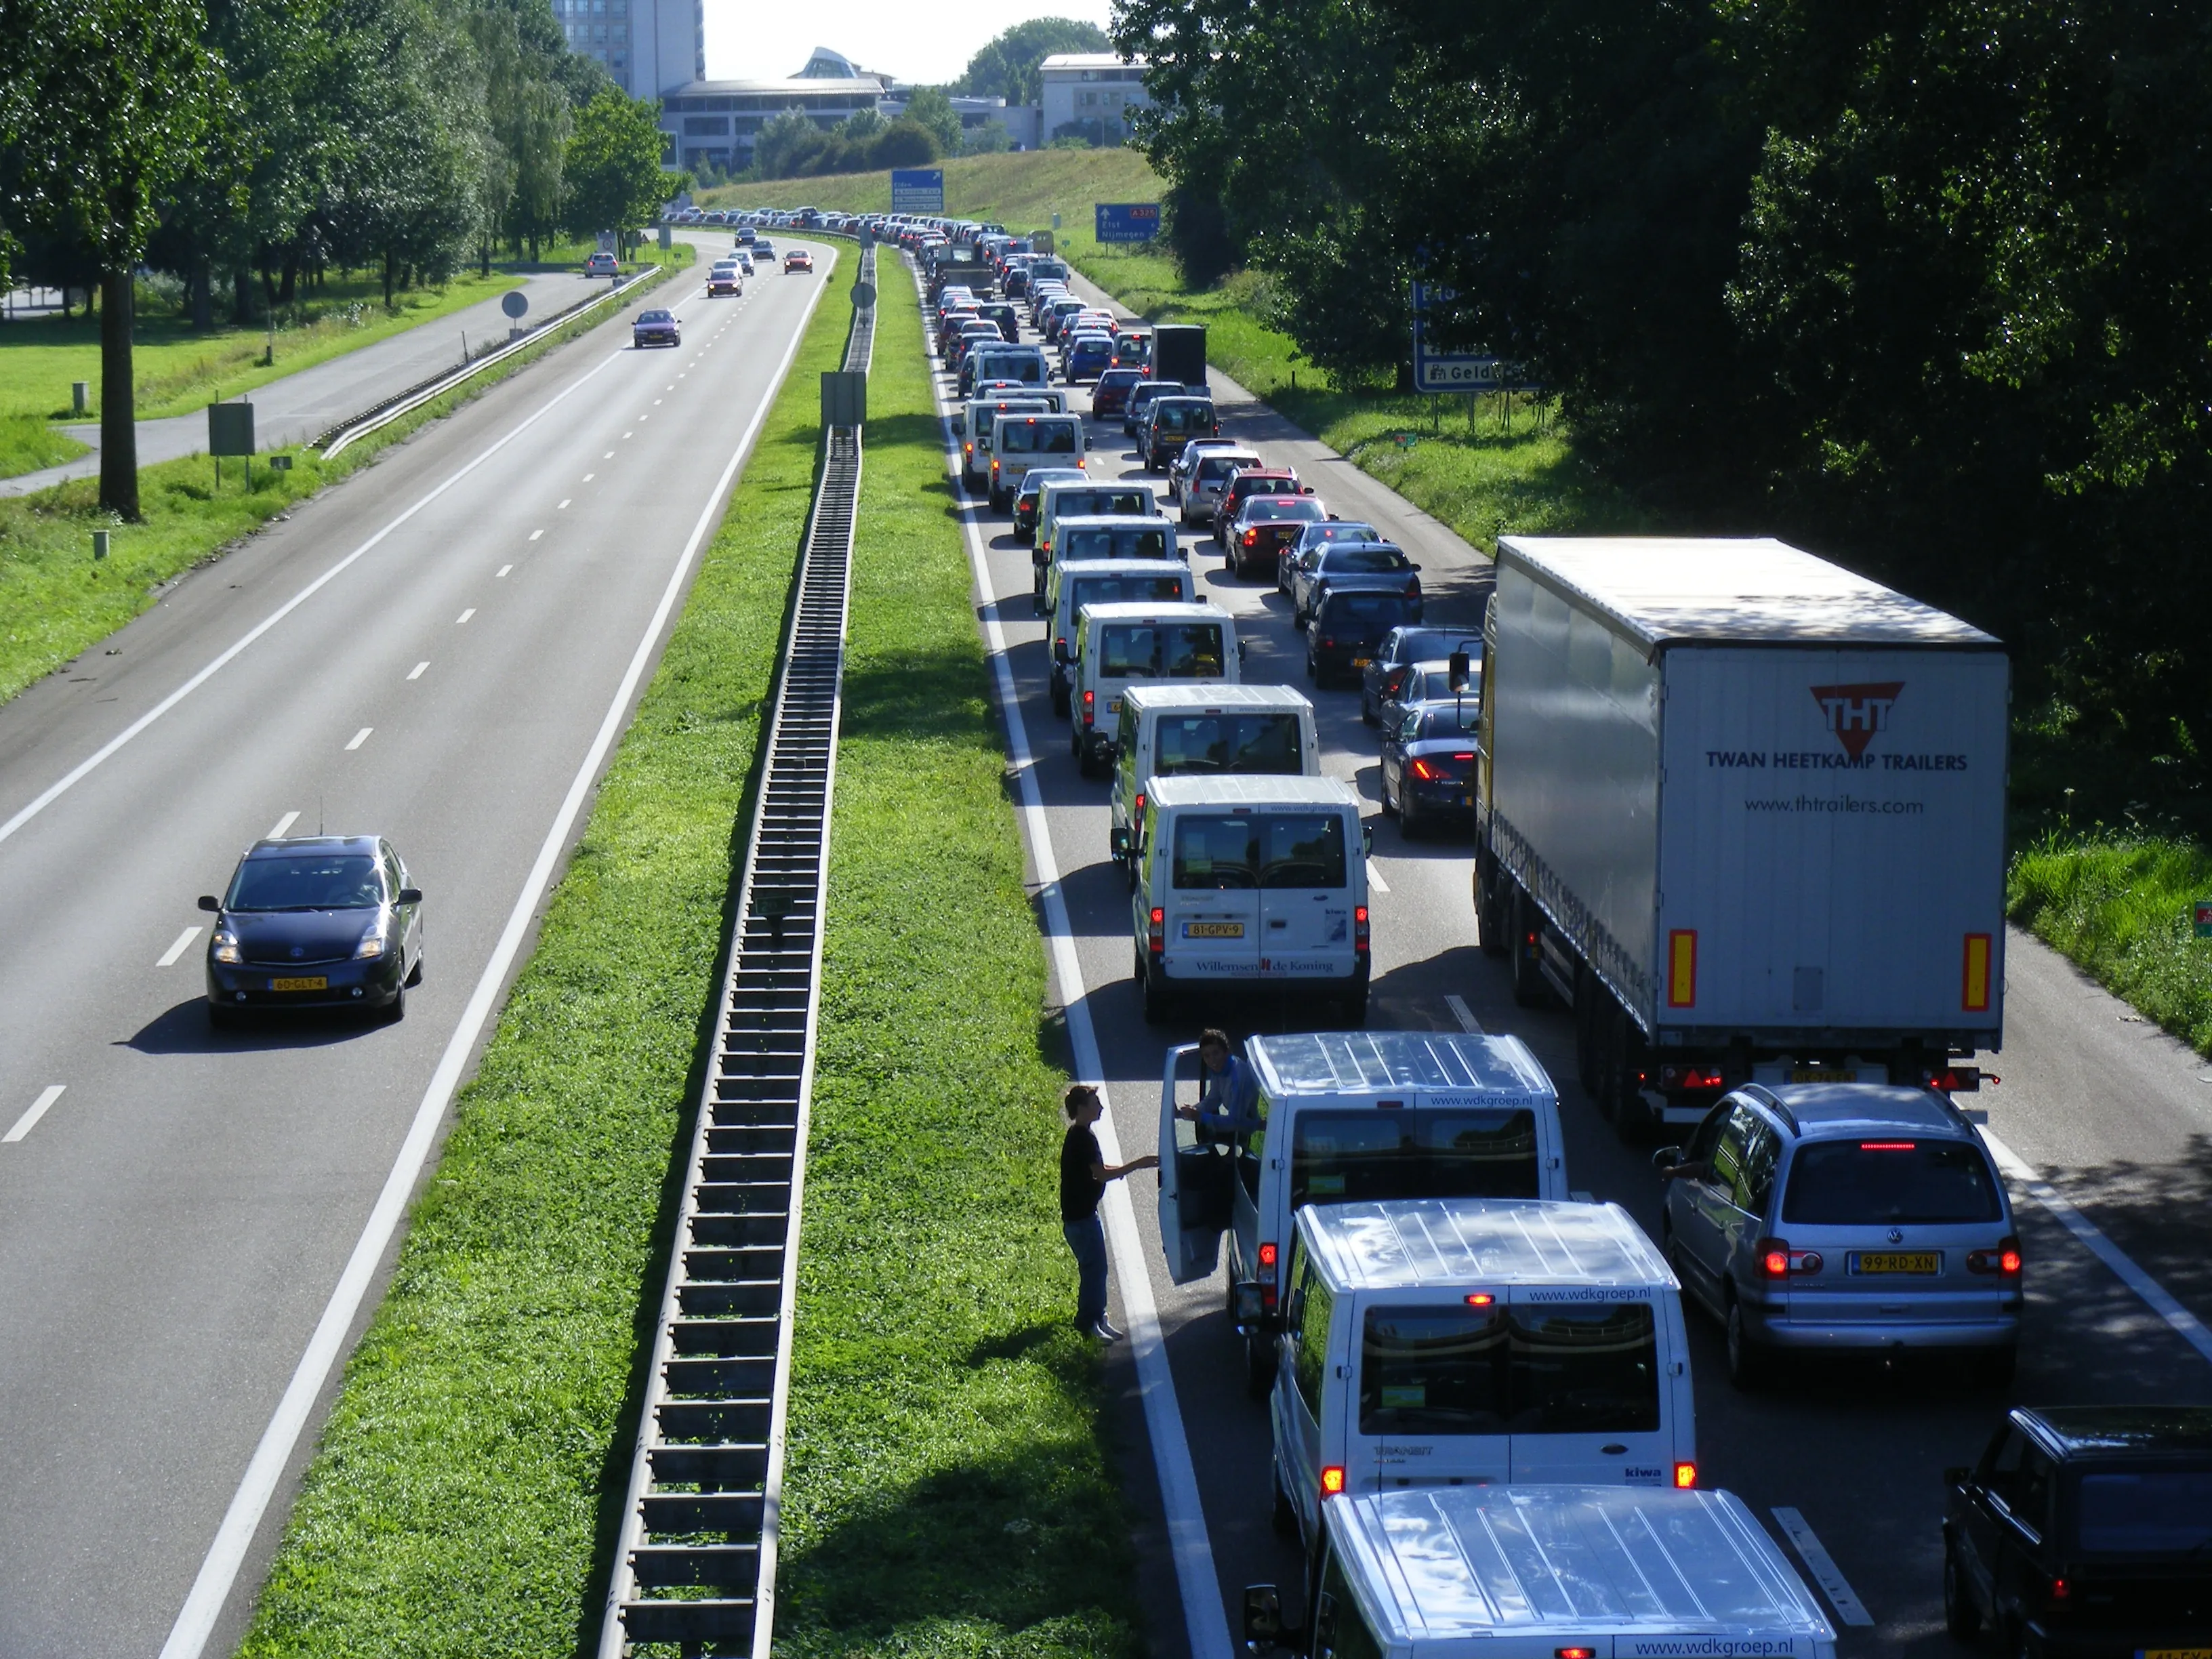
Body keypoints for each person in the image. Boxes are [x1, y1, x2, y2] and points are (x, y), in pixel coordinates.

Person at [1060, 1083, 1158, 1342]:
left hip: (1084, 1217)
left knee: (1098, 1269)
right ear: (1082, 1109)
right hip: (1081, 1220)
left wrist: (1128, 1167)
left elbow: (1099, 1169)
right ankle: (1087, 1322)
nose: (1100, 1107)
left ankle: (1098, 1317)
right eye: (1095, 1104)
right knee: (1093, 1269)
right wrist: (1137, 1165)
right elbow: (1101, 1174)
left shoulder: (1079, 1136)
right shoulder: (1083, 1138)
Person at [1175, 1028, 1261, 1143]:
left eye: (1216, 1053)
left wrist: (1200, 1116)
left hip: (1253, 1132)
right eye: (1207, 1056)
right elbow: (1213, 1099)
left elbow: (1235, 1122)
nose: (1212, 1060)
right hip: (1239, 1127)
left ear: (1227, 1052)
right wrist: (1187, 1113)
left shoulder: (1239, 1078)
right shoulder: (1219, 1071)